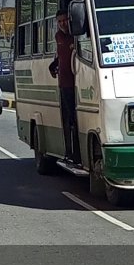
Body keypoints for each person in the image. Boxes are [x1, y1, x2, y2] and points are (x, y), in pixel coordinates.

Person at [49, 9, 81, 165]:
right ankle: (69, 151)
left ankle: (77, 153)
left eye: (65, 20)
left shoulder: (77, 36)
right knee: (68, 118)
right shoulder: (58, 37)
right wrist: (53, 66)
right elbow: (60, 57)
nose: (63, 24)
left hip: (78, 82)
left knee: (76, 119)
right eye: (59, 21)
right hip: (64, 84)